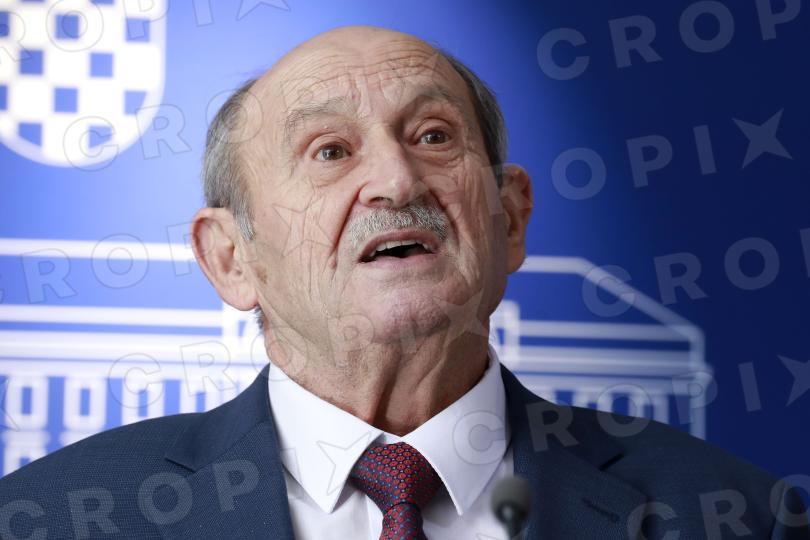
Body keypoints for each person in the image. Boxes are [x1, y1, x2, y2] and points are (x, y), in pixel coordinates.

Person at [0, 25, 807, 540]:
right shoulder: (50, 520)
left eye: (433, 136)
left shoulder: (737, 516)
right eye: (330, 151)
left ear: (511, 219)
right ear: (231, 258)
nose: (396, 180)